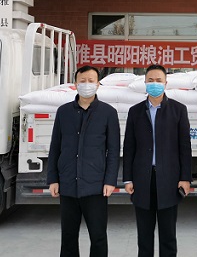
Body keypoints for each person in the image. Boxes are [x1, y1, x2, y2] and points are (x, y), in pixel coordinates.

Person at [47, 65, 121, 257]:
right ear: (75, 84)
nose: (86, 84)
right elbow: (55, 147)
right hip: (68, 184)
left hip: (96, 186)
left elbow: (113, 150)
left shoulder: (108, 113)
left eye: (91, 81)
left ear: (97, 84)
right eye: (82, 81)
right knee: (68, 236)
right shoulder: (63, 112)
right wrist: (53, 179)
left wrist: (110, 180)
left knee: (98, 236)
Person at [123, 64, 192, 257]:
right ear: (145, 83)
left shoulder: (178, 110)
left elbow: (184, 147)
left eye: (159, 80)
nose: (155, 84)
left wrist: (185, 178)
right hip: (142, 180)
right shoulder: (135, 111)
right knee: (144, 237)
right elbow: (129, 147)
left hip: (169, 180)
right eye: (151, 80)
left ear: (166, 83)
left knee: (168, 236)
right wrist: (128, 178)